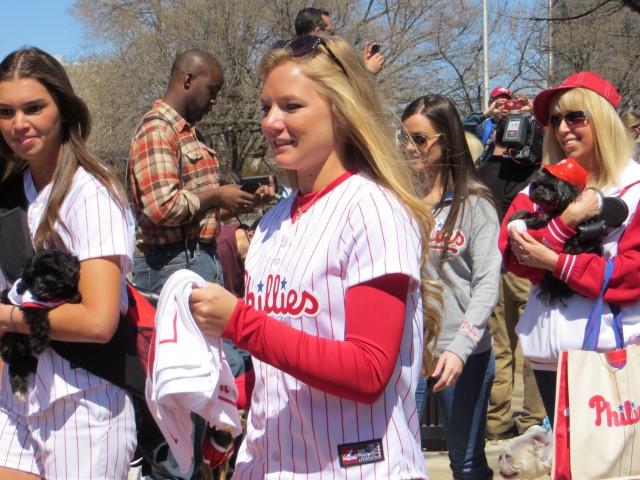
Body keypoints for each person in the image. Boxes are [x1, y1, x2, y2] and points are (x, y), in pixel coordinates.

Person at [189, 34, 440, 478]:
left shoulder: (374, 209)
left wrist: (239, 323)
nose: (271, 121)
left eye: (291, 106)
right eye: (266, 107)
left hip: (357, 464)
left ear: (342, 112)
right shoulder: (272, 222)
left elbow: (368, 369)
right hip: (273, 461)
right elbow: (280, 361)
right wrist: (223, 395)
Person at [128, 49, 273, 479]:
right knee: (184, 395)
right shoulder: (157, 130)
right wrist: (215, 196)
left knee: (219, 375)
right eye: (213, 91)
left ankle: (209, 452)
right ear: (189, 80)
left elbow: (195, 215)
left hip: (196, 263)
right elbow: (159, 208)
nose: (215, 101)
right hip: (171, 271)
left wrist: (239, 203)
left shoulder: (190, 134)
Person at [0, 47, 136, 479]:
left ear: (63, 107)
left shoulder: (91, 194)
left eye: (34, 108)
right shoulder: (8, 196)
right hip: (17, 395)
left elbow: (98, 322)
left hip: (84, 402)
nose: (19, 124)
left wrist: (7, 317)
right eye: (5, 111)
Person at [501, 71, 640, 425]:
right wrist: (566, 227)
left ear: (604, 119)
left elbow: (631, 276)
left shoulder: (635, 186)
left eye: (576, 116)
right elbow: (514, 255)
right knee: (567, 468)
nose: (563, 128)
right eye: (556, 119)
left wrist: (554, 261)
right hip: (548, 358)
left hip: (613, 356)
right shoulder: (541, 184)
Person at [402, 94, 501, 480]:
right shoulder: (401, 200)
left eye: (420, 139)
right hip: (409, 354)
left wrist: (461, 348)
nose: (410, 148)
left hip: (463, 356)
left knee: (465, 464)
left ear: (446, 140)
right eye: (405, 138)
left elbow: (486, 284)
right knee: (400, 459)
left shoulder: (476, 204)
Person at [477, 119, 547, 440]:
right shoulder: (537, 176)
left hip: (493, 267)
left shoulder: (483, 171)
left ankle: (497, 420)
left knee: (501, 347)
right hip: (526, 266)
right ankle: (533, 419)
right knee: (533, 346)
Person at [294, 7, 384, 75]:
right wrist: (369, 72)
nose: (333, 36)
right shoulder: (319, 67)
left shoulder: (290, 61)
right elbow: (349, 97)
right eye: (330, 32)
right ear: (317, 31)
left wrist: (364, 66)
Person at [462, 87, 532, 163]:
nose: (503, 107)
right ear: (492, 104)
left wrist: (533, 110)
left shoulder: (519, 125)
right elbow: (460, 127)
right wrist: (487, 113)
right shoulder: (484, 127)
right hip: (487, 171)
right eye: (500, 103)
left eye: (507, 103)